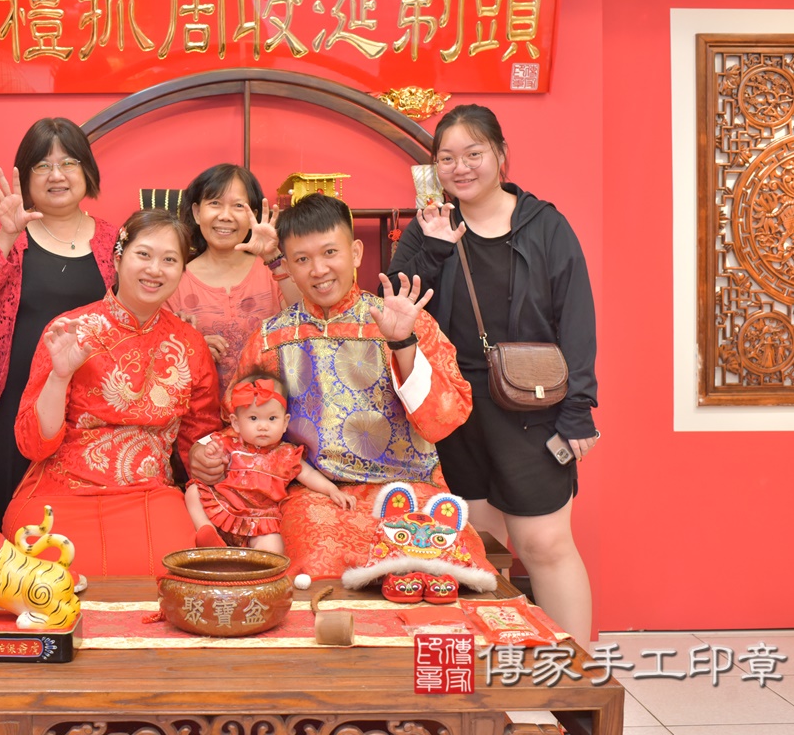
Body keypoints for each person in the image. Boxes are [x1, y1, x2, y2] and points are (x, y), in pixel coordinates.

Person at [384, 103, 599, 644]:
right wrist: (436, 250)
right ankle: (494, 672)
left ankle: (574, 673)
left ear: (500, 155)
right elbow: (397, 306)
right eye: (447, 158)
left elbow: (576, 320)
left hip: (531, 406)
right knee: (479, 548)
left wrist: (578, 410)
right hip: (455, 410)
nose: (460, 168)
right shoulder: (428, 227)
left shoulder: (545, 226)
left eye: (473, 153)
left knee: (545, 546)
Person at [190, 193, 477, 579]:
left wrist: (403, 345)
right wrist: (207, 452)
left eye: (330, 252)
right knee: (318, 568)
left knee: (443, 573)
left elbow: (446, 420)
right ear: (287, 266)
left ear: (355, 253)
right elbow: (240, 423)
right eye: (302, 259)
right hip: (313, 494)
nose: (319, 270)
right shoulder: (271, 339)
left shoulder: (405, 321)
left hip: (408, 489)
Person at [3, 209, 221, 576]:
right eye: (144, 254)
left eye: (170, 260)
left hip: (149, 495)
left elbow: (200, 436)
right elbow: (34, 445)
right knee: (47, 579)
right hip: (61, 492)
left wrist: (207, 456)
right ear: (118, 258)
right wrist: (59, 376)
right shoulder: (69, 330)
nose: (155, 269)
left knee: (168, 572)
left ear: (182, 271)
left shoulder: (191, 344)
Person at [0, 118, 118, 523]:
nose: (56, 175)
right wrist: (6, 236)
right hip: (6, 400)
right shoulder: (0, 229)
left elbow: (131, 311)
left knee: (66, 517)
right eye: (42, 166)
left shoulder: (112, 239)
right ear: (25, 176)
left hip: (84, 405)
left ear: (87, 170)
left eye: (68, 163)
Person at [165, 164, 300, 397]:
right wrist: (193, 349)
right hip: (201, 412)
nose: (225, 216)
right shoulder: (174, 280)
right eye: (215, 203)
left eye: (238, 206)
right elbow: (157, 354)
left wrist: (273, 256)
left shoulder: (274, 271)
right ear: (197, 213)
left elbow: (307, 320)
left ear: (253, 216)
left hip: (271, 412)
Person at [186, 373, 355, 553]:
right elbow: (207, 456)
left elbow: (309, 474)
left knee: (274, 545)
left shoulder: (286, 453)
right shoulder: (229, 443)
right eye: (253, 418)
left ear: (285, 422)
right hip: (223, 507)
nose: (263, 426)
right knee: (193, 491)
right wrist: (212, 453)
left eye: (272, 418)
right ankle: (207, 532)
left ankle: (254, 563)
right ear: (236, 423)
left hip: (260, 520)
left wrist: (332, 490)